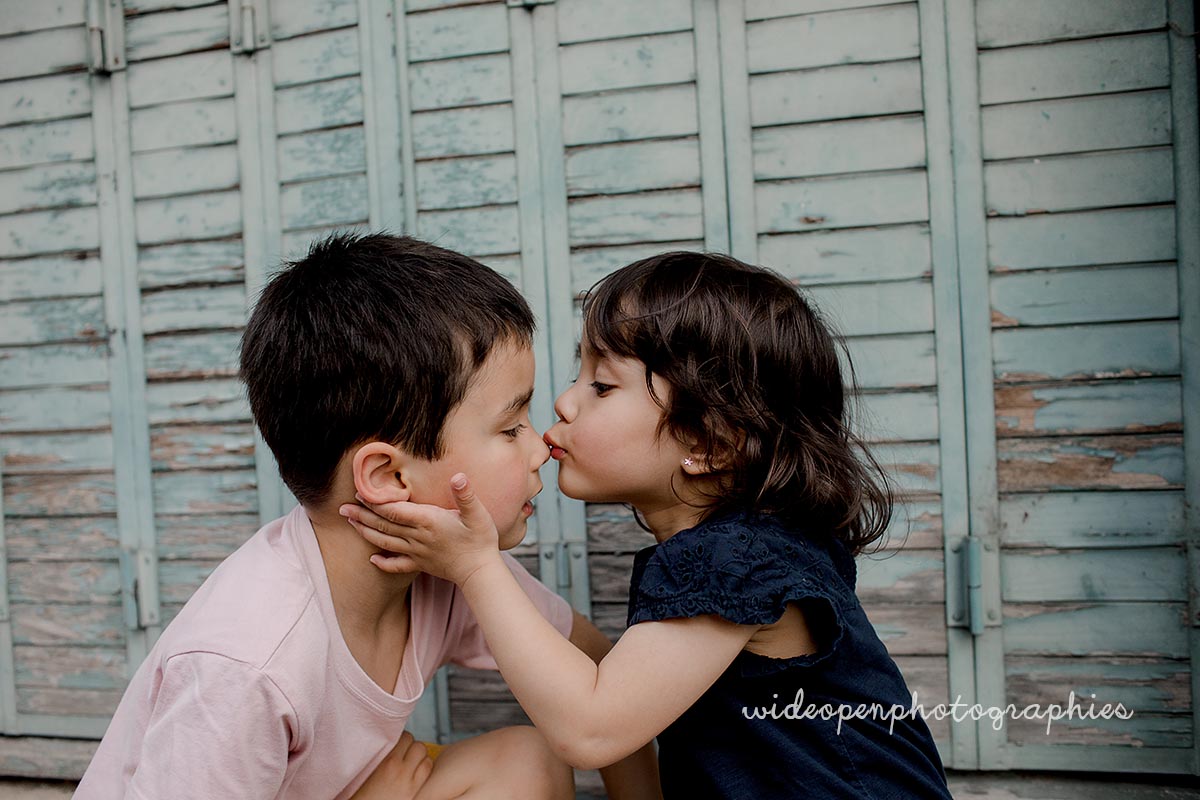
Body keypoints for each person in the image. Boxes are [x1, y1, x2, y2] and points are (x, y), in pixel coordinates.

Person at [343, 252, 955, 798]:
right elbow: (615, 696)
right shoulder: (738, 550)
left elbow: (590, 729)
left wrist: (475, 565)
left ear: (709, 441)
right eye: (579, 374)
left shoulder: (735, 561)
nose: (563, 402)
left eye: (602, 385)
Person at [74, 234, 660, 800]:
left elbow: (600, 674)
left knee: (524, 763)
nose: (541, 449)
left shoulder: (448, 563)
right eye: (510, 429)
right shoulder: (249, 667)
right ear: (388, 479)